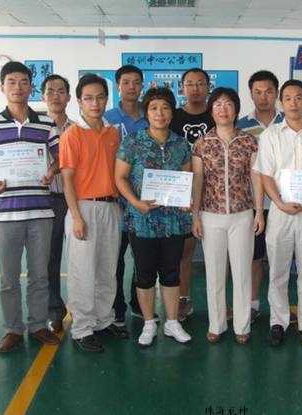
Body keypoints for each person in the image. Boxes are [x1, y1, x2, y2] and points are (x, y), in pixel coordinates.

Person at [0, 61, 60, 352]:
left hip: (41, 213)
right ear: (2, 87)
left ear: (31, 87)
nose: (18, 87)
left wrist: (52, 171)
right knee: (8, 279)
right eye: (11, 82)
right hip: (6, 214)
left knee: (39, 275)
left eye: (23, 82)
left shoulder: (46, 123)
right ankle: (12, 329)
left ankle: (37, 325)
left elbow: (61, 157)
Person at [115, 87, 192, 347]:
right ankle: (149, 322)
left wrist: (186, 199)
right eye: (154, 108)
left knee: (171, 273)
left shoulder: (181, 144)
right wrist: (136, 202)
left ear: (172, 112)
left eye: (165, 108)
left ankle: (172, 322)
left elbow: (187, 177)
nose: (160, 113)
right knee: (145, 274)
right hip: (142, 221)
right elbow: (120, 177)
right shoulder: (132, 142)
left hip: (173, 221)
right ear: (146, 113)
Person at [60, 74, 129, 353]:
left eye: (100, 97)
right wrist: (76, 216)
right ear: (79, 102)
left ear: (107, 99)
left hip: (111, 207)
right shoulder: (72, 134)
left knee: (107, 268)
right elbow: (67, 180)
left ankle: (103, 319)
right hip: (84, 208)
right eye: (88, 98)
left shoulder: (113, 133)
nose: (95, 103)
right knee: (82, 271)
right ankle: (82, 328)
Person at [192, 87, 264, 344]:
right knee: (214, 272)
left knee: (242, 271)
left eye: (228, 104)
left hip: (242, 215)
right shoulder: (202, 143)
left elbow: (256, 178)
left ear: (236, 109)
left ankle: (242, 325)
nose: (223, 109)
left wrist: (259, 212)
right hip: (210, 215)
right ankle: (217, 324)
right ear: (211, 111)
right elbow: (198, 180)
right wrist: (195, 215)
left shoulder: (248, 141)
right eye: (218, 104)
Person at [254, 80, 302, 347]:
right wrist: (280, 203)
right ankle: (278, 321)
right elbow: (265, 175)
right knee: (278, 270)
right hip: (281, 213)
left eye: (299, 97)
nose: (293, 103)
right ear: (281, 103)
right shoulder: (271, 135)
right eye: (288, 98)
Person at [237, 70, 284, 323]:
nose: (263, 97)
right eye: (258, 92)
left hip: (283, 203)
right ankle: (253, 304)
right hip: (251, 204)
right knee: (253, 257)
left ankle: (280, 310)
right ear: (251, 94)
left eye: (268, 91)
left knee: (280, 259)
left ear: (276, 93)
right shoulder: (241, 126)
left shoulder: (289, 121)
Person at [104, 65, 150, 325]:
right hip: (115, 198)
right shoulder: (107, 118)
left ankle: (138, 304)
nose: (132, 87)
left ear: (142, 85)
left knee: (142, 257)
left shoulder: (151, 115)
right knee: (116, 258)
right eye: (126, 82)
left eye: (136, 82)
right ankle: (117, 306)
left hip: (145, 199)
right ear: (118, 86)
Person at [170, 68, 215, 321]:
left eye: (200, 83)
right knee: (183, 253)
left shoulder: (217, 114)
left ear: (208, 87)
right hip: (182, 195)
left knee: (219, 255)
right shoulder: (173, 117)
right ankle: (183, 299)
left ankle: (220, 305)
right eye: (190, 83)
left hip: (216, 194)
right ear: (182, 88)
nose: (195, 88)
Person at [41, 74, 75, 333]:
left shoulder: (78, 130)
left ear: (69, 97)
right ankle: (54, 309)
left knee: (79, 257)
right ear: (43, 96)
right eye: (50, 91)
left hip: (75, 201)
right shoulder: (35, 129)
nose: (56, 96)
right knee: (49, 258)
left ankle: (82, 307)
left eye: (61, 91)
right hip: (45, 200)